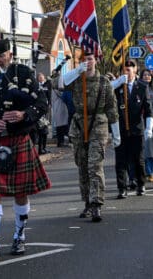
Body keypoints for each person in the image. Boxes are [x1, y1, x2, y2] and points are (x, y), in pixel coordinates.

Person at [0, 39, 51, 262]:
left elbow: (42, 103)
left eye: (0, 56)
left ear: (9, 54)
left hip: (18, 139)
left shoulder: (24, 73)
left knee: (20, 193)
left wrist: (24, 115)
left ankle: (19, 235)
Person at [57, 50, 119, 222]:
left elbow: (111, 108)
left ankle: (96, 203)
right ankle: (87, 202)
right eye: (84, 60)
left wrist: (116, 133)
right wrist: (76, 71)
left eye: (90, 59)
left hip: (98, 124)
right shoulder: (76, 79)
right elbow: (58, 83)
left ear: (96, 61)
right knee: (82, 165)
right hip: (78, 125)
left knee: (95, 165)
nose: (88, 62)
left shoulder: (104, 82)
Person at [111, 60, 153, 198]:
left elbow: (148, 109)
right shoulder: (117, 87)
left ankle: (141, 184)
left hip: (137, 129)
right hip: (121, 129)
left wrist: (149, 127)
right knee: (121, 161)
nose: (126, 72)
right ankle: (121, 188)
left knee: (138, 159)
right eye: (124, 69)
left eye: (129, 69)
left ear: (135, 70)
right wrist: (116, 83)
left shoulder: (142, 86)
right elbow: (106, 99)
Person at [35, 73, 51, 154]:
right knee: (42, 130)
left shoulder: (46, 86)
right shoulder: (36, 86)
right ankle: (40, 149)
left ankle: (44, 148)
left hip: (45, 110)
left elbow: (49, 96)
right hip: (39, 111)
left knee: (45, 130)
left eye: (42, 77)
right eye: (40, 77)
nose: (41, 79)